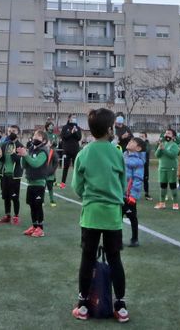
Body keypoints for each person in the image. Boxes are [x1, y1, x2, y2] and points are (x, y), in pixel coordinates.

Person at [71, 108, 130, 322]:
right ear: (109, 128)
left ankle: (83, 304)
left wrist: (89, 196)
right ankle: (121, 306)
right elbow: (122, 184)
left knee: (87, 258)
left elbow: (76, 185)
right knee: (115, 258)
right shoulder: (116, 151)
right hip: (112, 213)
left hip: (91, 213)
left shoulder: (84, 152)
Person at [23, 130, 51, 237]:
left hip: (39, 182)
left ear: (44, 140)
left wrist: (26, 155)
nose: (35, 137)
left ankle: (40, 229)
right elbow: (25, 165)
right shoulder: (31, 149)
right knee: (32, 205)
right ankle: (34, 226)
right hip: (31, 182)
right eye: (34, 135)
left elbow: (36, 163)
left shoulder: (43, 151)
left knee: (38, 205)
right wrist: (23, 155)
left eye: (38, 136)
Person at [0, 127, 23, 226]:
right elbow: (2, 160)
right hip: (5, 175)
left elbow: (20, 161)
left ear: (18, 133)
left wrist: (13, 154)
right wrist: (0, 156)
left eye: (13, 131)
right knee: (6, 196)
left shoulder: (20, 146)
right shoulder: (5, 144)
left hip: (14, 176)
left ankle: (16, 216)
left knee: (15, 197)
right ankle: (7, 215)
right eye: (9, 131)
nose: (11, 133)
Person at [121, 138, 145, 247]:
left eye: (132, 142)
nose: (129, 142)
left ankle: (134, 238)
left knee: (132, 216)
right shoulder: (122, 155)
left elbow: (138, 179)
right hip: (119, 193)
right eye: (129, 141)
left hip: (129, 195)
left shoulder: (138, 161)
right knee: (117, 217)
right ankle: (117, 239)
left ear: (138, 148)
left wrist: (133, 195)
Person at [153, 130, 180, 209]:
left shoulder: (174, 145)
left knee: (172, 185)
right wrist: (159, 148)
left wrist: (163, 150)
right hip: (162, 168)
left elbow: (172, 155)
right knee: (163, 186)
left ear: (173, 137)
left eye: (169, 133)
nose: (166, 135)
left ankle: (175, 204)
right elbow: (157, 155)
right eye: (166, 133)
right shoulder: (163, 144)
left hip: (171, 168)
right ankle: (162, 203)